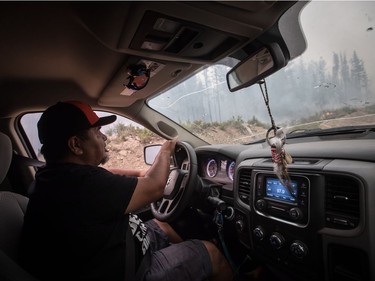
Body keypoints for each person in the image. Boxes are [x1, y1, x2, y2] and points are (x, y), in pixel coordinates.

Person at [19, 100, 233, 281]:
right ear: (76, 145)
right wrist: (167, 150)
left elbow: (110, 174)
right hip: (133, 272)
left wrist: (141, 174)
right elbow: (156, 187)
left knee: (163, 224)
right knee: (211, 253)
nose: (104, 138)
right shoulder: (82, 184)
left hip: (118, 250)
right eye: (97, 132)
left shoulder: (54, 178)